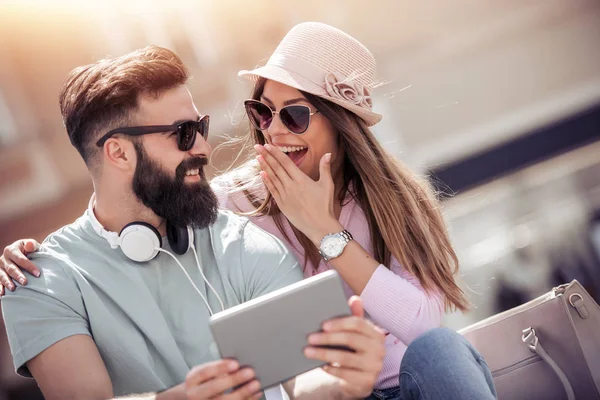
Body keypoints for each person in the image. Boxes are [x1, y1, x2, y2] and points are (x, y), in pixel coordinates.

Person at [1, 23, 497, 399]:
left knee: (442, 349)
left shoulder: (390, 201)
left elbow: (424, 325)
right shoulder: (235, 207)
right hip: (338, 393)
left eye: (295, 114)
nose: (274, 130)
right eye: (262, 113)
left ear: (341, 124)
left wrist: (325, 232)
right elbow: (154, 201)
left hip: (403, 382)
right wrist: (32, 257)